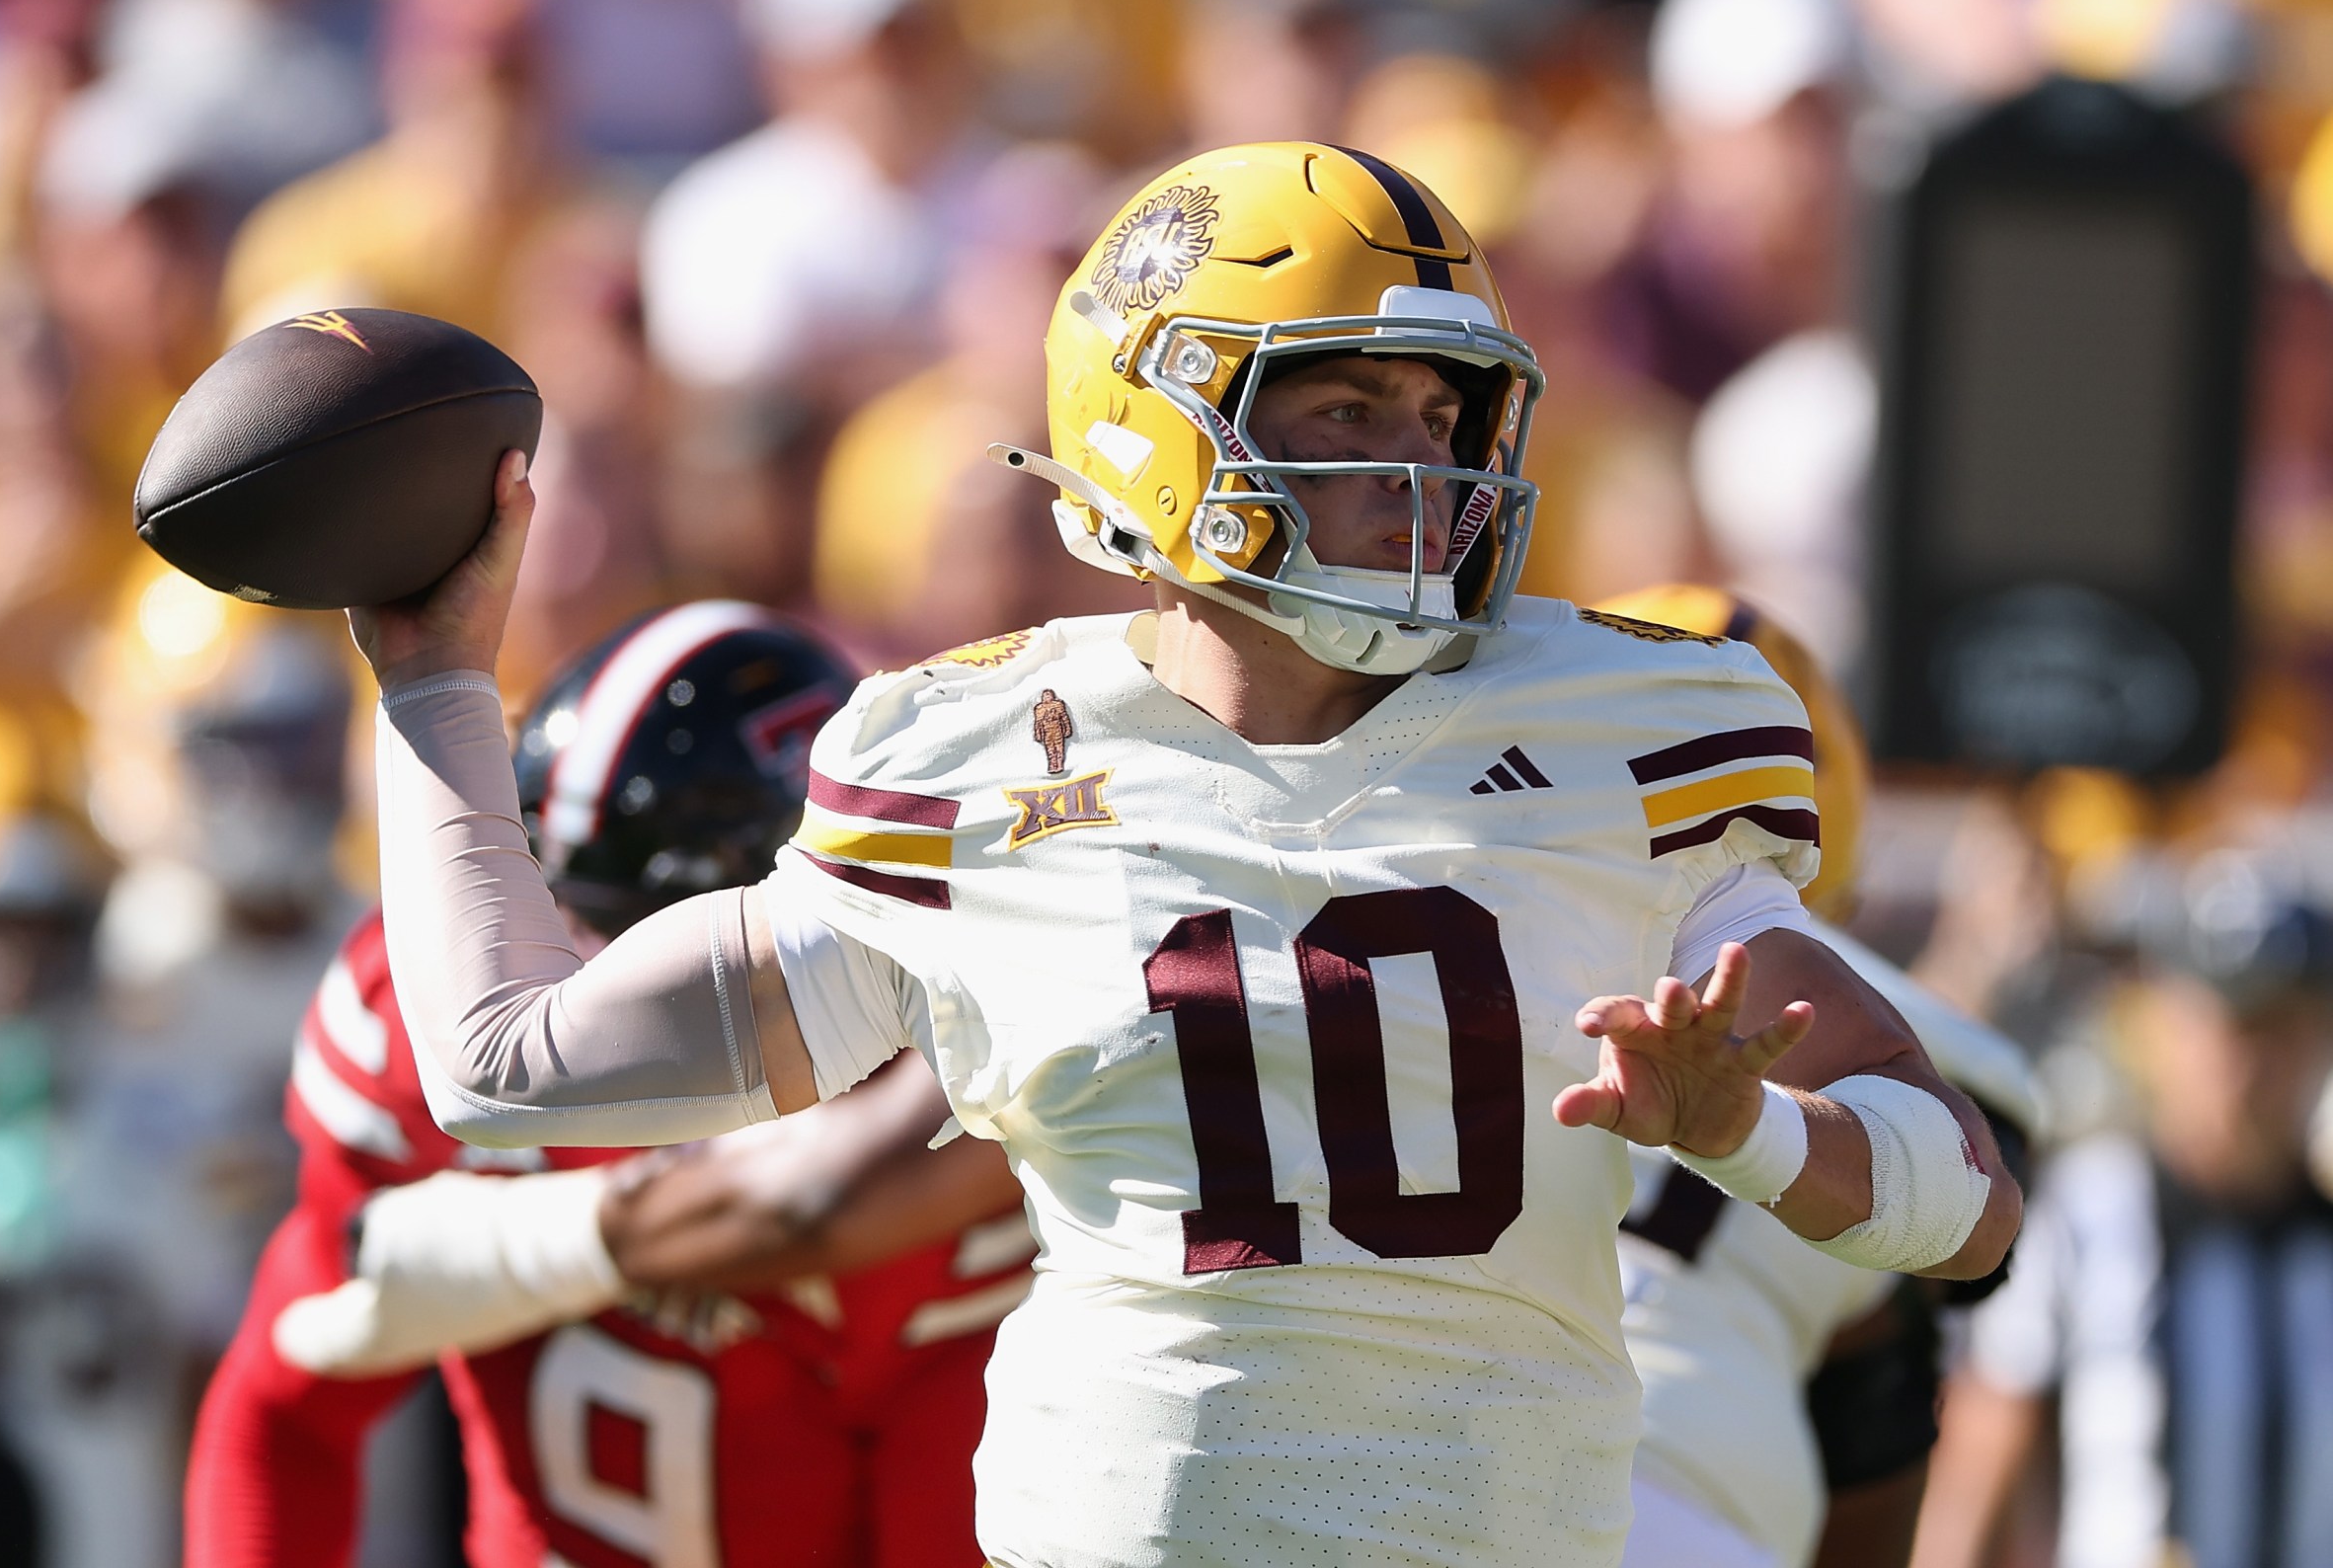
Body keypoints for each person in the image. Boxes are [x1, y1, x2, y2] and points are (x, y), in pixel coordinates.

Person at [353, 142, 2021, 1566]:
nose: (1423, 463)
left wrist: (1751, 1132)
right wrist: (433, 685)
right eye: (1355, 401)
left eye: (1447, 409)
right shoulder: (969, 758)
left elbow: (1968, 1211)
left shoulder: (1632, 727)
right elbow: (508, 1065)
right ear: (1163, 425)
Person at [185, 604, 1029, 1568]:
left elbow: (809, 1201)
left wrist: (536, 1237)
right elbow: (287, 1404)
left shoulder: (960, 1032)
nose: (564, 962)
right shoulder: (419, 1024)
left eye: (622, 921)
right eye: (541, 885)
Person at [1596, 586, 2042, 1568]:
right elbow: (1878, 1414)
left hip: (1420, 1474)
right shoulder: (1932, 1045)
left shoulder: (1439, 915)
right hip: (1707, 1503)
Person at [1911, 852, 2333, 1568]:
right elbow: (1982, 1458)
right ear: (2164, 1024)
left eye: (2279, 1027)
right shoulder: (2089, 1210)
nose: (2248, 1063)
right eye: (2226, 1025)